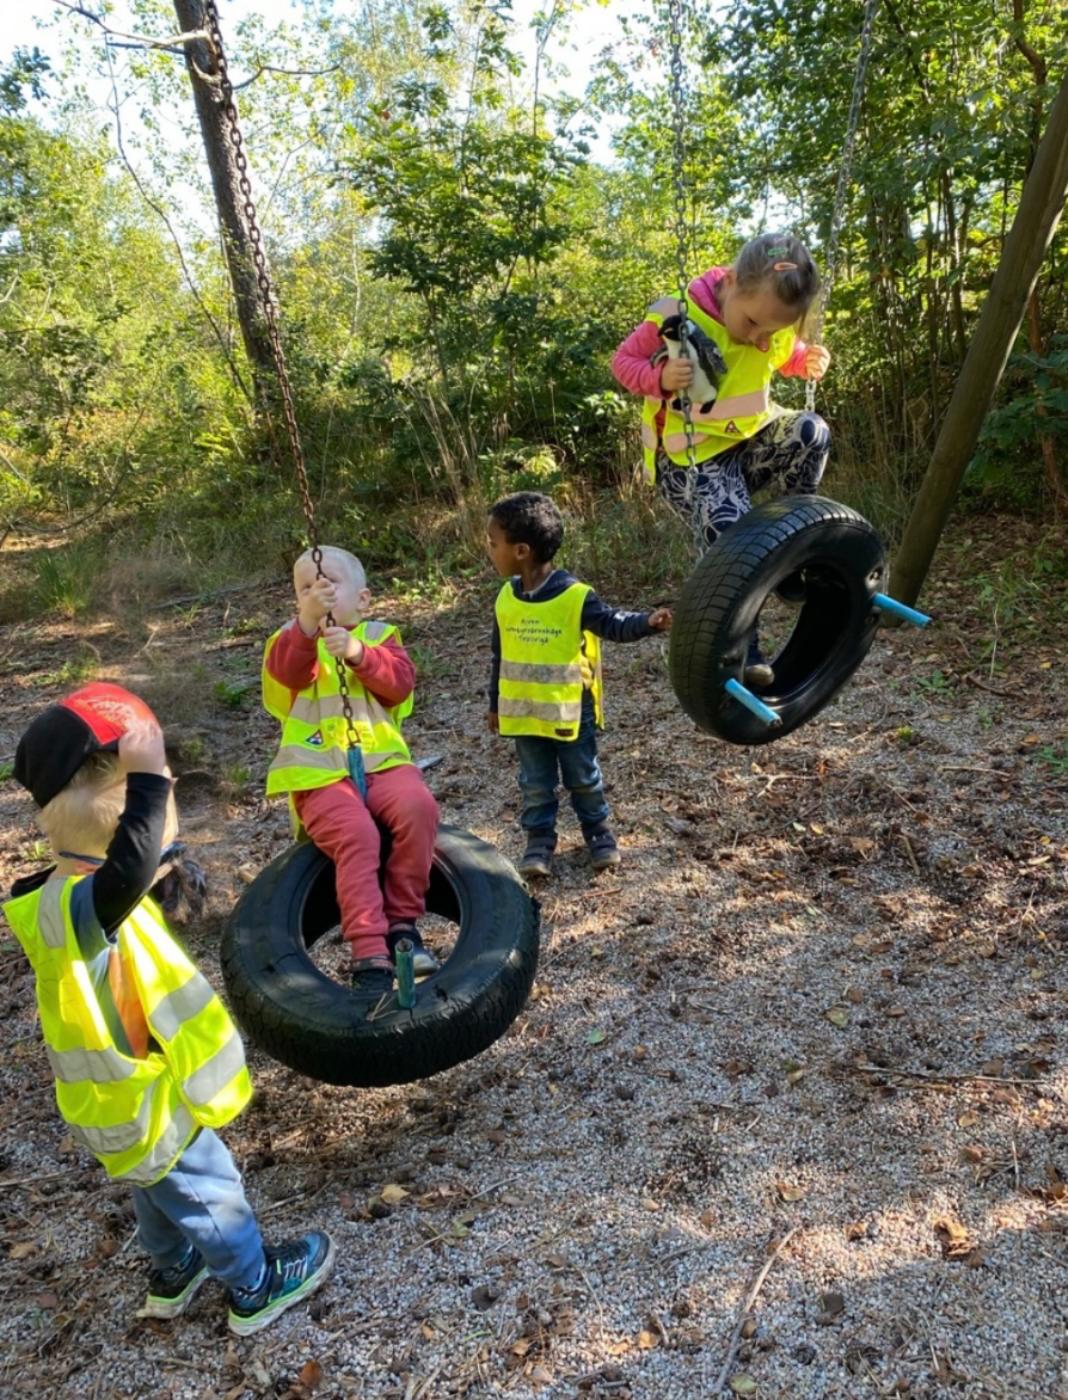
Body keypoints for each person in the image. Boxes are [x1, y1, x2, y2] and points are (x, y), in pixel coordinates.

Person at [2, 687, 335, 1337]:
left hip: (111, 1096)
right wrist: (150, 777)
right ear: (117, 810)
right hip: (140, 1093)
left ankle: (173, 1269)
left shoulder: (57, 895)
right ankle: (253, 1285)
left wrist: (155, 855)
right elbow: (126, 868)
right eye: (149, 799)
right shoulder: (88, 906)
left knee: (155, 1183)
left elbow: (121, 873)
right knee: (208, 1184)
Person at [612, 232, 832, 686]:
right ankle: (743, 644)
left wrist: (804, 360)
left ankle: (793, 547)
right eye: (752, 323)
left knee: (812, 431)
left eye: (770, 331)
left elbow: (781, 357)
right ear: (730, 282)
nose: (758, 337)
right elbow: (622, 363)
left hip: (747, 448)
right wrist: (660, 377)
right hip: (689, 463)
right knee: (733, 531)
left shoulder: (772, 324)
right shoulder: (675, 317)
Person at [262, 546, 440, 1000]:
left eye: (328, 583)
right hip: (318, 773)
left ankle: (403, 925)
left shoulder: (381, 635)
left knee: (419, 808)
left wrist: (360, 652)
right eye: (305, 588)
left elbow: (400, 685)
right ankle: (368, 951)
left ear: (362, 600)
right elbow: (287, 675)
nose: (317, 591)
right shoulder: (288, 641)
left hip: (382, 763)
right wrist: (306, 629)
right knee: (358, 836)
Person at [486, 492, 672, 878]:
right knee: (535, 783)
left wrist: (646, 622)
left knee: (583, 777)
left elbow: (612, 622)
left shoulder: (574, 596)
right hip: (524, 713)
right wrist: (494, 703)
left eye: (493, 544)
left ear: (521, 550)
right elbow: (499, 655)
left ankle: (598, 833)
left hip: (571, 710)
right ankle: (538, 842)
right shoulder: (505, 598)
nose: (489, 551)